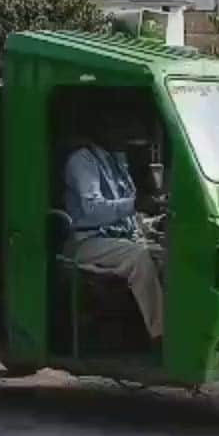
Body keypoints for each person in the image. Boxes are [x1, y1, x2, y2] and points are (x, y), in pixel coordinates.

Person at [62, 107, 165, 344]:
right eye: (122, 128)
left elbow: (128, 212)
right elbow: (93, 209)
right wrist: (135, 204)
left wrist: (153, 224)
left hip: (116, 239)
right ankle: (160, 335)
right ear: (104, 130)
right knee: (139, 258)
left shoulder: (117, 161)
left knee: (170, 257)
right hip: (86, 241)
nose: (129, 134)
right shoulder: (83, 160)